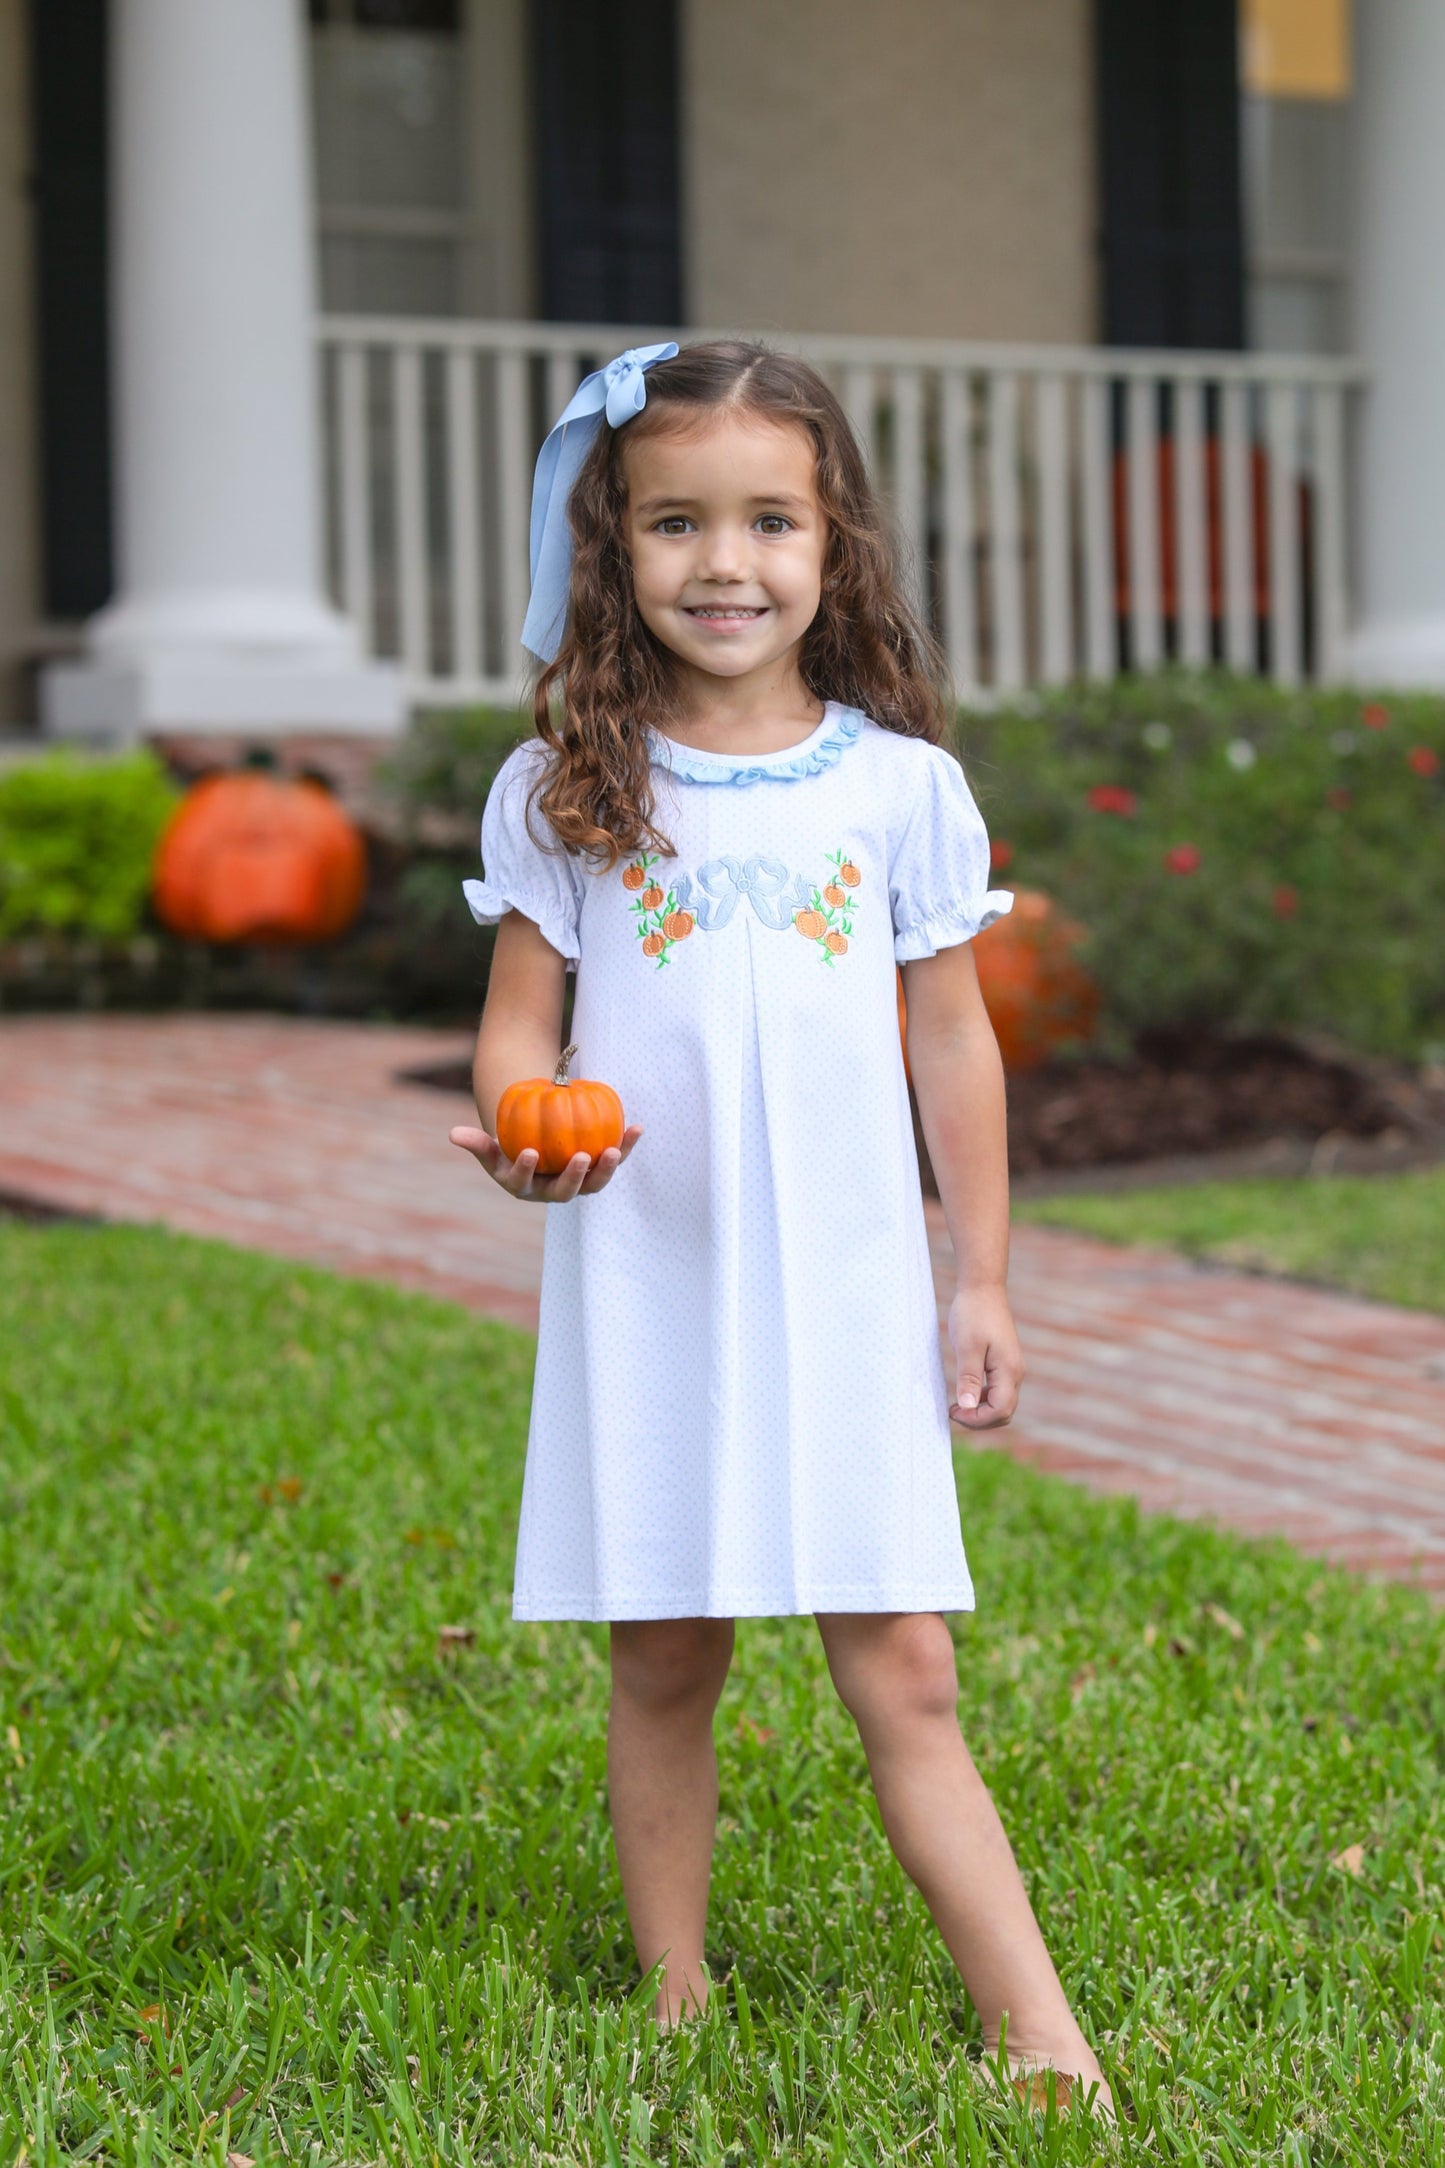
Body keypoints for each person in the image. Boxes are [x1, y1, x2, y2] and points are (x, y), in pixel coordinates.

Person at [449, 340, 1111, 2116]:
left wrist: (977, 1275)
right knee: (666, 1639)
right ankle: (671, 1997)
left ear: (836, 550)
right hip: (647, 1257)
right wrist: (527, 1129)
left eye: (766, 521)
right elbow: (521, 1026)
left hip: (839, 1275)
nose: (721, 563)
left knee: (902, 1655)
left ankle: (1036, 2030)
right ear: (613, 546)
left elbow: (951, 1035)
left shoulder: (894, 789)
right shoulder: (568, 788)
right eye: (674, 522)